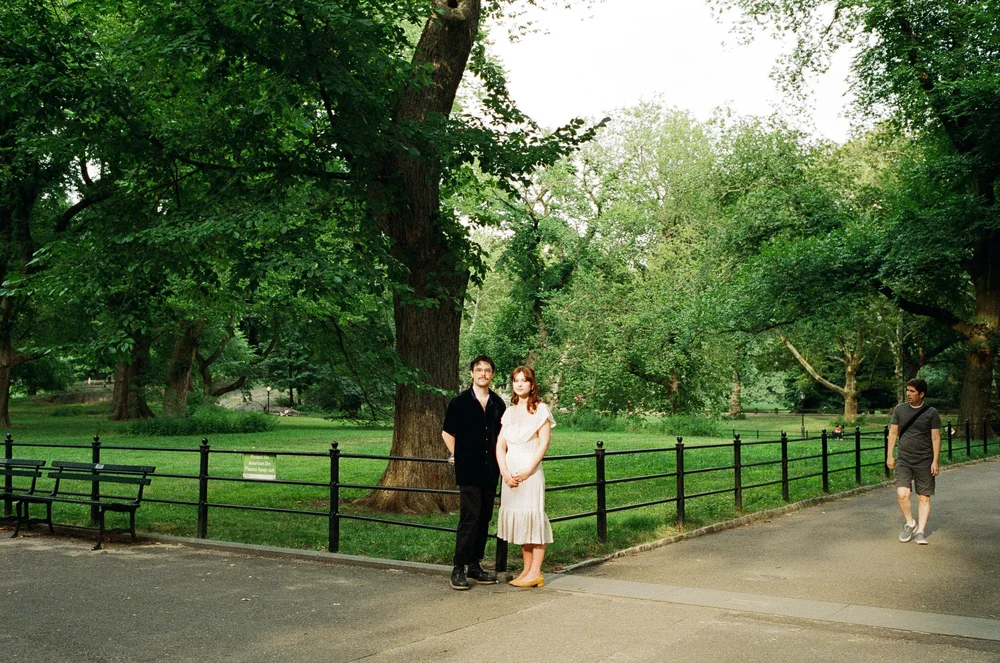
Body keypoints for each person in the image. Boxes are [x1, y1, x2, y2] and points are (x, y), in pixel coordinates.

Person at [442, 355, 506, 590]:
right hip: (468, 469)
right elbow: (447, 433)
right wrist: (459, 455)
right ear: (471, 373)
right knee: (470, 516)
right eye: (478, 370)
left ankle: (475, 565)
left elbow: (503, 436)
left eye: (487, 370)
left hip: (491, 468)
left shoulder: (498, 404)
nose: (483, 374)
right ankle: (458, 567)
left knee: (484, 517)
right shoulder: (459, 402)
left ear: (492, 375)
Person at [496, 365, 554, 588]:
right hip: (510, 476)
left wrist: (529, 469)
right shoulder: (509, 412)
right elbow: (500, 445)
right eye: (516, 380)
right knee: (521, 521)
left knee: (532, 519)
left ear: (532, 384)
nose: (519, 384)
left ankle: (536, 572)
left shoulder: (541, 410)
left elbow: (544, 443)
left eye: (524, 380)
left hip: (530, 474)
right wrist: (504, 471)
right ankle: (526, 570)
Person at [886, 378, 941, 545]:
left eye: (912, 391)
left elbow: (936, 438)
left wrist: (935, 461)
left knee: (923, 497)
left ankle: (921, 531)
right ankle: (910, 523)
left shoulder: (931, 412)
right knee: (902, 494)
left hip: (924, 460)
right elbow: (893, 433)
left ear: (921, 394)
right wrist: (889, 455)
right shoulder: (900, 409)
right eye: (907, 391)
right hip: (904, 458)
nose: (908, 394)